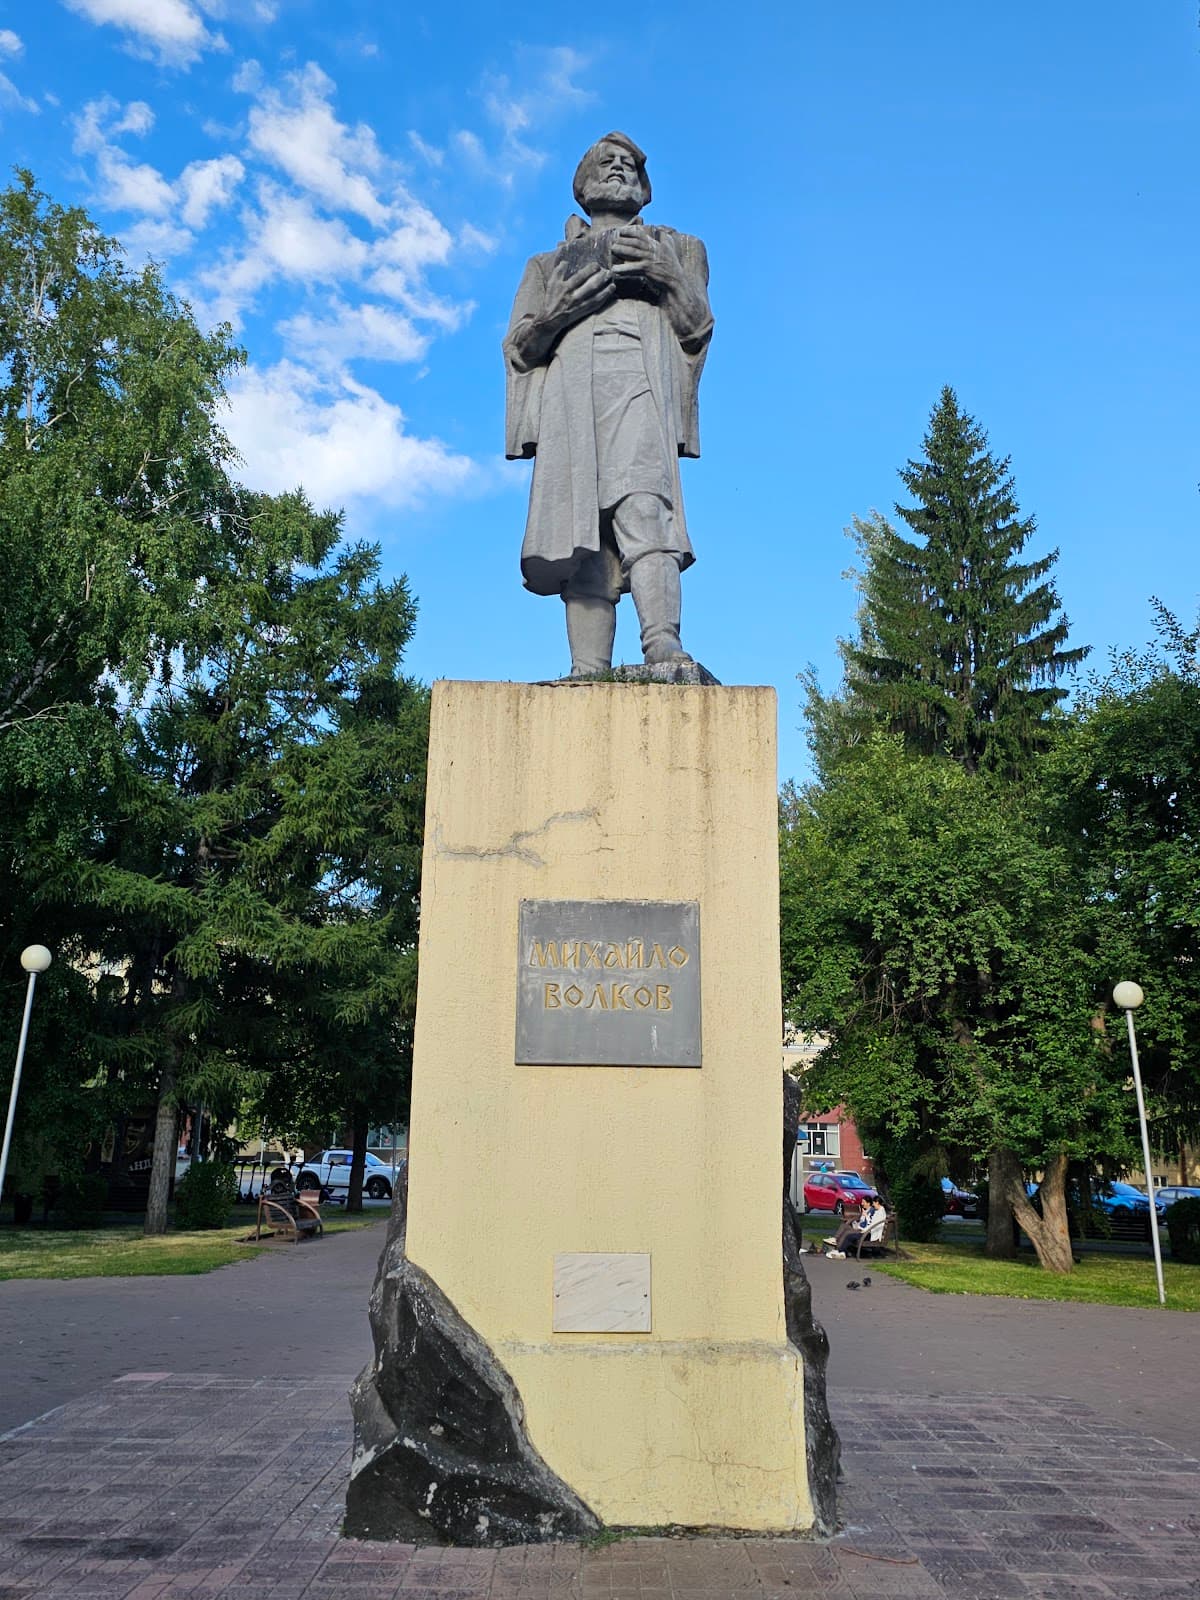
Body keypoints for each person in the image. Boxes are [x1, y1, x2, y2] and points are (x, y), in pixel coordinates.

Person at [504, 132, 713, 676]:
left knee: (644, 507)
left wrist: (666, 276)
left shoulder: (679, 248)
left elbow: (697, 332)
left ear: (645, 190)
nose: (619, 170)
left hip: (639, 384)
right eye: (607, 162)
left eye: (630, 165)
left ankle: (662, 645)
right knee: (582, 535)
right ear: (583, 184)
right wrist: (555, 314)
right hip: (570, 400)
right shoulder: (545, 265)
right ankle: (586, 667)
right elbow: (520, 350)